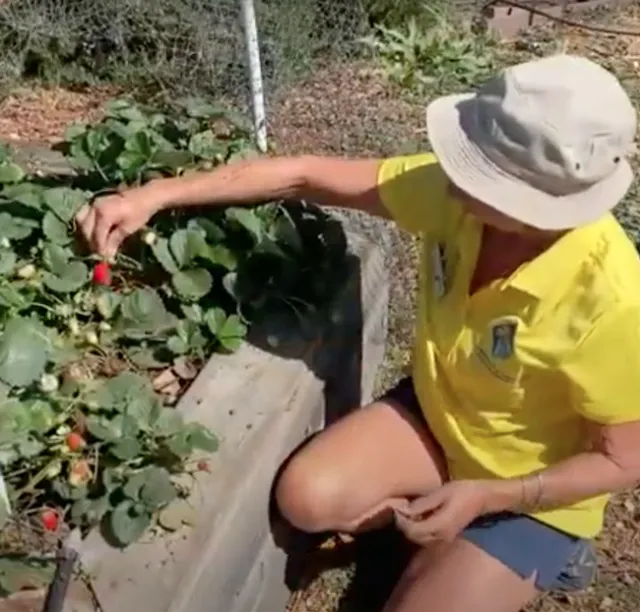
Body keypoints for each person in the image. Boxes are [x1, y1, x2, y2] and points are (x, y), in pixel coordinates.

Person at [75, 54, 640, 612]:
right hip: (444, 419)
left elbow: (625, 460)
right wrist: (151, 196)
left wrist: (495, 495)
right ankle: (449, 539)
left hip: (528, 492)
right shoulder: (459, 201)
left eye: (476, 171)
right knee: (307, 496)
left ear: (531, 202)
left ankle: (533, 549)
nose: (454, 175)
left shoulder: (613, 304)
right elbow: (303, 176)